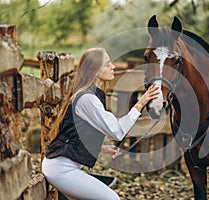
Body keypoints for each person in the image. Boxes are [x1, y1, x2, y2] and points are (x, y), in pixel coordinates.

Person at [42, 47, 159, 200]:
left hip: (61, 167)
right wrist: (140, 104)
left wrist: (101, 148)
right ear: (95, 71)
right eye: (107, 64)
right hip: (61, 170)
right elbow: (117, 132)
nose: (113, 67)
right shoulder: (87, 99)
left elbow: (75, 133)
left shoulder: (90, 95)